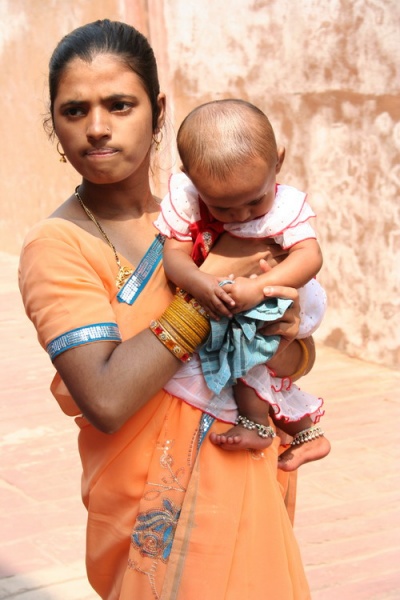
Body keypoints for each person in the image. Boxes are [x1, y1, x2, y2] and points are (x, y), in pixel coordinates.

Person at [19, 19, 315, 600]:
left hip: (249, 485)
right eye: (74, 110)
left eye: (119, 105)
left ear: (157, 113)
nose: (97, 128)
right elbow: (106, 398)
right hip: (155, 519)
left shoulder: (216, 215)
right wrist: (213, 285)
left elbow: (291, 362)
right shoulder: (58, 245)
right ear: (55, 122)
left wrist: (285, 334)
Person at [155, 99, 330, 467]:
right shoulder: (187, 201)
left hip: (285, 292)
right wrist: (199, 281)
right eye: (222, 207)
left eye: (254, 201)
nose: (241, 214)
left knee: (250, 348)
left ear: (278, 162)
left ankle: (258, 424)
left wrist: (259, 287)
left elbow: (310, 257)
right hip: (237, 296)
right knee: (247, 353)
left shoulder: (283, 206)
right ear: (191, 177)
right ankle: (305, 432)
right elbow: (174, 256)